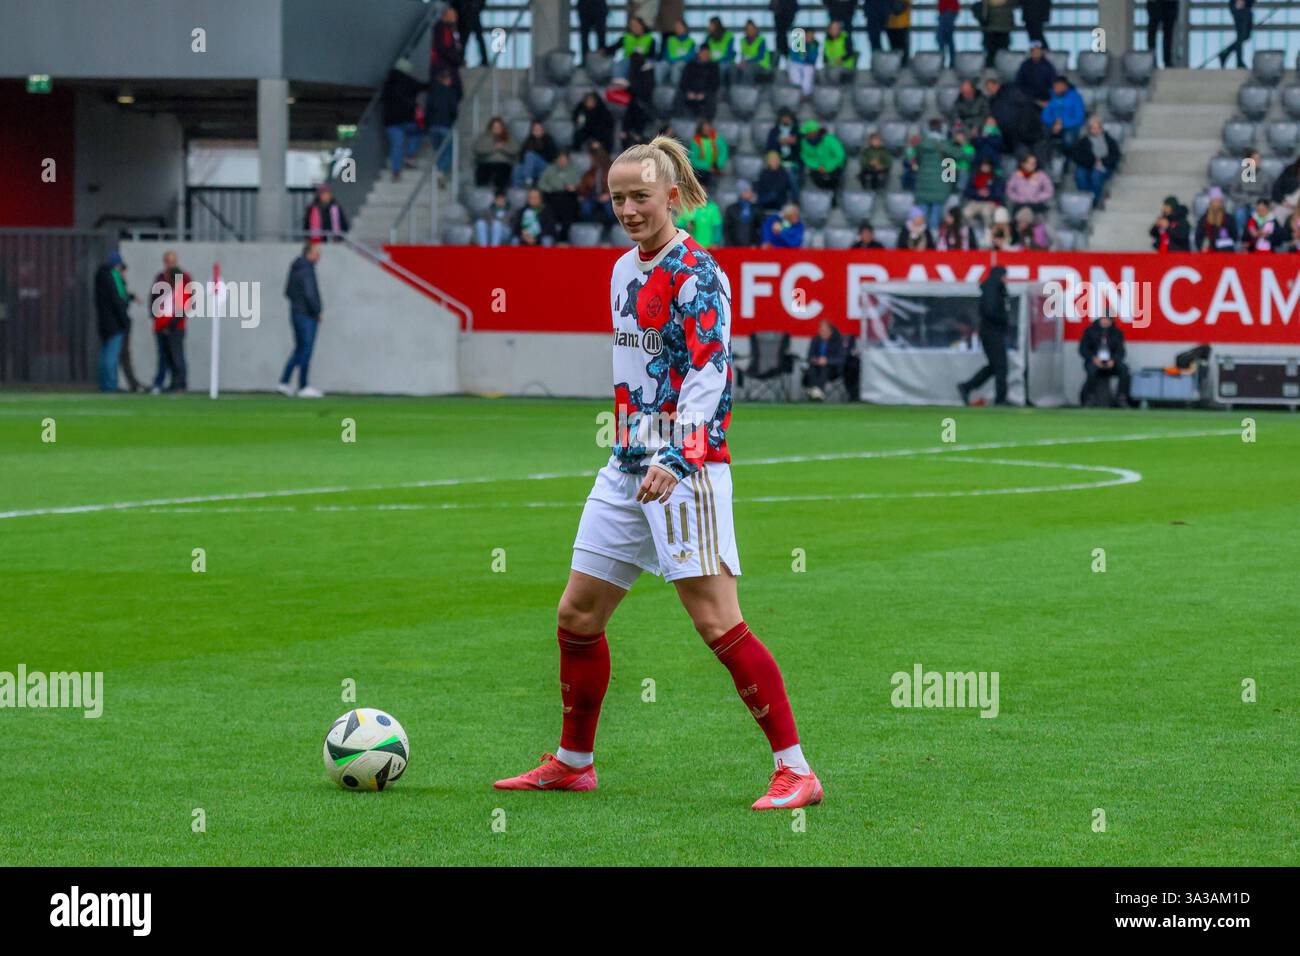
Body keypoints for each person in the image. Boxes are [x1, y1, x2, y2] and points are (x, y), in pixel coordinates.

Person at [492, 133, 823, 812]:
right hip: (626, 465)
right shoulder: (620, 270)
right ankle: (574, 761)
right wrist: (636, 452)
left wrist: (678, 455)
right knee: (577, 614)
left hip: (685, 468)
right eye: (617, 198)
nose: (628, 209)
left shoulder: (698, 273)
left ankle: (796, 770)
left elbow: (709, 370)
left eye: (640, 196)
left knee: (716, 621)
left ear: (673, 196)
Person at [958, 265, 1010, 405]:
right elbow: (990, 311)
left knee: (995, 366)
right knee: (1001, 367)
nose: (1006, 279)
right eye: (1004, 276)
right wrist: (1003, 320)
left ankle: (967, 386)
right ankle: (1000, 399)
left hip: (991, 332)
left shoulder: (993, 289)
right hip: (992, 332)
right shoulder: (992, 290)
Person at [278, 243, 325, 399]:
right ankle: (303, 385)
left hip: (296, 313)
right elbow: (310, 293)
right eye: (317, 252)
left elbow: (287, 292)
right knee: (306, 350)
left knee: (299, 349)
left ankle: (284, 382)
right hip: (307, 315)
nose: (319, 256)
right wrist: (316, 311)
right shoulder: (307, 270)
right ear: (309, 253)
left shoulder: (295, 268)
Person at [149, 250, 190, 394]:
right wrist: (155, 318)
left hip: (176, 326)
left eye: (172, 261)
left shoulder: (183, 278)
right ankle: (168, 383)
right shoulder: (160, 278)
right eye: (167, 261)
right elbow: (153, 299)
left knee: (177, 355)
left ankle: (180, 384)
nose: (169, 264)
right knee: (164, 356)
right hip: (160, 324)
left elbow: (186, 304)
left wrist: (171, 325)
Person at [381, 58, 426, 182]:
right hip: (408, 119)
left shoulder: (387, 83)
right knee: (417, 133)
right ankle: (410, 157)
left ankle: (396, 172)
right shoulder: (409, 81)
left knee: (397, 145)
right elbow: (424, 87)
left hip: (390, 121)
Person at [94, 251, 132, 393]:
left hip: (104, 322)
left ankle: (105, 383)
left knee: (105, 355)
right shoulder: (113, 276)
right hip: (115, 323)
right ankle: (111, 385)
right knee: (112, 355)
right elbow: (119, 300)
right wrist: (125, 321)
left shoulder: (100, 276)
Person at [1078, 312, 1131, 406]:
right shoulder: (1090, 331)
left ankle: (1121, 397)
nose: (1105, 322)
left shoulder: (1117, 333)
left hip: (1111, 363)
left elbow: (1121, 351)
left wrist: (1113, 360)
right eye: (1103, 319)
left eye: (1108, 320)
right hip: (1094, 361)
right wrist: (1093, 358)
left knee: (1124, 370)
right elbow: (1083, 349)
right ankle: (1090, 397)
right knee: (1091, 370)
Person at [913, 119, 957, 231]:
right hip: (940, 186)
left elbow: (916, 160)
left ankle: (922, 239)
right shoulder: (944, 144)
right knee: (935, 215)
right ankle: (933, 240)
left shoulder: (921, 145)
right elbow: (958, 155)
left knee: (921, 215)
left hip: (923, 184)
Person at [1068, 114, 1120, 206]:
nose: (1095, 130)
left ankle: (1093, 200)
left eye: (1097, 128)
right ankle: (1084, 198)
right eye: (1092, 128)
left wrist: (1102, 162)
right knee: (1080, 175)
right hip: (1087, 165)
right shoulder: (1083, 141)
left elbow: (1115, 156)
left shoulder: (1109, 141)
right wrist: (1093, 162)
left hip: (1104, 166)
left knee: (1096, 175)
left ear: (1101, 128)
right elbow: (1076, 156)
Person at [426, 68, 461, 185]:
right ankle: (440, 171)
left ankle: (438, 170)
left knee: (439, 151)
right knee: (448, 151)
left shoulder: (432, 93)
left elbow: (428, 110)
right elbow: (453, 110)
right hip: (445, 125)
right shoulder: (450, 93)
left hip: (433, 127)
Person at [539, 149, 583, 240]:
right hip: (552, 195)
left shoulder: (574, 170)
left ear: (568, 160)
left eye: (564, 159)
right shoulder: (549, 169)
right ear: (556, 160)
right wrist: (550, 189)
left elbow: (580, 185)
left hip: (568, 196)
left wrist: (574, 187)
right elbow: (541, 184)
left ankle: (563, 236)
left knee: (568, 208)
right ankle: (551, 235)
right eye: (560, 159)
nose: (562, 162)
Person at [803, 319, 845, 400]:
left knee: (824, 367)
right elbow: (809, 356)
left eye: (825, 330)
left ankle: (817, 392)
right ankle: (816, 392)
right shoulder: (815, 340)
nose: (822, 332)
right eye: (821, 330)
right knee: (812, 368)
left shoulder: (838, 341)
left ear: (830, 331)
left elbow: (841, 358)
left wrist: (827, 360)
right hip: (816, 367)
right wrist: (815, 360)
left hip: (833, 370)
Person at [473, 117, 518, 191]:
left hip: (503, 164)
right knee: (482, 171)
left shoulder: (509, 137)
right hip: (486, 163)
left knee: (502, 172)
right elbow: (477, 149)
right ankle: (482, 192)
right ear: (491, 127)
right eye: (495, 127)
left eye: (499, 127)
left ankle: (500, 195)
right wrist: (493, 148)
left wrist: (503, 147)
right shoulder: (484, 137)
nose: (497, 129)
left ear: (502, 127)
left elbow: (515, 150)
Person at [800, 119, 846, 193]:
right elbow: (806, 157)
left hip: (834, 167)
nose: (806, 135)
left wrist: (827, 167)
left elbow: (840, 155)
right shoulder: (805, 142)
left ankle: (833, 198)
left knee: (834, 181)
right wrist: (818, 166)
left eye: (807, 133)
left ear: (813, 132)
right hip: (818, 168)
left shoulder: (830, 139)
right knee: (818, 180)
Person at [1042, 75, 1084, 152]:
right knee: (1041, 136)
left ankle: (1069, 161)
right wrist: (1054, 123)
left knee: (1069, 139)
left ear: (1065, 87)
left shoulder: (1075, 97)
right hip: (1053, 125)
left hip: (1070, 126)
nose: (1055, 89)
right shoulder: (1051, 96)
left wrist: (1062, 123)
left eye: (1058, 87)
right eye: (1054, 87)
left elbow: (1079, 118)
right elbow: (1045, 115)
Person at [766, 110, 804, 198]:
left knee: (792, 175)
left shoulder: (797, 131)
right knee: (787, 175)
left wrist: (794, 143)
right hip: (778, 162)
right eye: (784, 118)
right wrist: (778, 142)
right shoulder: (774, 131)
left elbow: (803, 149)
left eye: (788, 118)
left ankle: (795, 200)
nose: (786, 120)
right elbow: (769, 148)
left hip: (794, 162)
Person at [429, 6, 465, 94]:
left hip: (448, 66)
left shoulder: (451, 29)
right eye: (453, 15)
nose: (455, 18)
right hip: (444, 67)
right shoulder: (442, 28)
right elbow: (443, 49)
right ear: (446, 15)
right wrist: (457, 59)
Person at [1005, 152, 1054, 217]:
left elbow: (1049, 191)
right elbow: (1009, 190)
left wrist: (1038, 197)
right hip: (1020, 204)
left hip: (1036, 204)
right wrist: (1017, 198)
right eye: (1030, 163)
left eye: (1034, 163)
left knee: (1038, 215)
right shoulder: (1016, 175)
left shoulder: (1041, 175)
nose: (1033, 165)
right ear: (1023, 164)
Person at [513, 121, 559, 189]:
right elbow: (521, 156)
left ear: (542, 129)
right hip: (530, 168)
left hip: (544, 166)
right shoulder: (529, 140)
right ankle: (518, 189)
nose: (537, 130)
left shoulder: (548, 139)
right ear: (532, 130)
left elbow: (552, 156)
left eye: (539, 128)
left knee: (530, 155)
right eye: (535, 129)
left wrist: (539, 143)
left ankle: (528, 181)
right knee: (517, 168)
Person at [681, 47, 721, 119]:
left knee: (711, 98)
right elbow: (684, 81)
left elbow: (715, 83)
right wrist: (688, 92)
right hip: (691, 92)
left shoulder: (714, 66)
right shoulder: (691, 64)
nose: (705, 55)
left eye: (707, 54)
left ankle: (706, 122)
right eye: (703, 53)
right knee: (681, 95)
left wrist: (704, 93)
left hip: (706, 93)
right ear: (699, 53)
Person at [687, 120, 728, 189]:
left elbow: (723, 152)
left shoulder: (717, 138)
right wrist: (708, 166)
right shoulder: (695, 141)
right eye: (705, 129)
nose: (707, 130)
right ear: (700, 130)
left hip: (716, 167)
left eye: (708, 128)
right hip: (702, 170)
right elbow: (693, 160)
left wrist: (717, 164)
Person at [1195, 187, 1238, 252]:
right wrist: (1203, 245)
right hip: (1208, 251)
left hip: (1224, 251)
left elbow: (1234, 235)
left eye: (1219, 201)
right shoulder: (1204, 219)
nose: (1217, 204)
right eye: (1215, 201)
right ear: (1210, 202)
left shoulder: (1228, 218)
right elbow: (1199, 236)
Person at [723, 180, 763, 246]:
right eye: (748, 191)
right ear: (742, 193)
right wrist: (729, 245)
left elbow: (759, 228)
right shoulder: (731, 209)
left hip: (751, 247)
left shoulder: (756, 208)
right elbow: (727, 229)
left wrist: (757, 244)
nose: (751, 193)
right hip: (734, 248)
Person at [1016, 42, 1057, 107]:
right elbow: (1019, 83)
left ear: (1042, 52)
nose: (1035, 52)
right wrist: (1033, 100)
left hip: (1045, 98)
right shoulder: (1025, 65)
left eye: (1038, 50)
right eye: (1033, 50)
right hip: (1028, 97)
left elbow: (1053, 84)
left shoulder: (1048, 66)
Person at [980, 0, 1017, 68]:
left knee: (1001, 52)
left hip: (1002, 27)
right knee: (993, 52)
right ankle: (991, 70)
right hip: (993, 26)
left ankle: (997, 69)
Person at [1220, 0, 1254, 69]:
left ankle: (1224, 53)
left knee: (1246, 36)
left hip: (1246, 8)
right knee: (1241, 37)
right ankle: (1239, 62)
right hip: (1241, 7)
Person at [453, 0, 488, 66]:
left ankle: (484, 60)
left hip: (470, 14)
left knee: (466, 39)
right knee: (466, 39)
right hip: (467, 15)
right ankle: (460, 60)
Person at [1147, 0, 1179, 69]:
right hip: (1158, 3)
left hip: (1170, 3)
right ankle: (1153, 59)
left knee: (1167, 31)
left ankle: (1166, 61)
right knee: (1154, 29)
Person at [786, 28, 819, 97]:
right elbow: (793, 56)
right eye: (808, 35)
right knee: (793, 70)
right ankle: (797, 93)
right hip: (796, 63)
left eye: (811, 35)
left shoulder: (814, 45)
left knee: (808, 73)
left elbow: (813, 59)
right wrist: (802, 58)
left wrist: (806, 56)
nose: (809, 37)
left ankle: (805, 95)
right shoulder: (797, 42)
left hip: (808, 64)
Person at [885, 0, 912, 65]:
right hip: (891, 23)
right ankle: (898, 67)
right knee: (895, 50)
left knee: (902, 50)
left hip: (902, 23)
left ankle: (902, 67)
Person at [936, 0, 959, 68]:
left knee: (943, 39)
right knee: (947, 39)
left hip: (948, 13)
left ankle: (946, 61)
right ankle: (950, 61)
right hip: (945, 13)